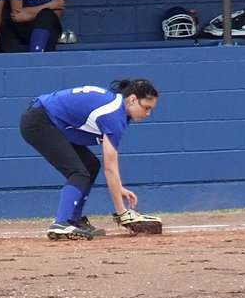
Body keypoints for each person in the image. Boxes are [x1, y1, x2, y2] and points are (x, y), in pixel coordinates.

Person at [19, 79, 159, 240]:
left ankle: (74, 219)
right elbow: (110, 167)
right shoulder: (114, 114)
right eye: (146, 108)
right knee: (78, 172)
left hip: (48, 120)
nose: (148, 113)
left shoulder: (116, 106)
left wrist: (119, 187)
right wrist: (122, 212)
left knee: (90, 166)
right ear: (133, 99)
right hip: (39, 121)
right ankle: (61, 223)